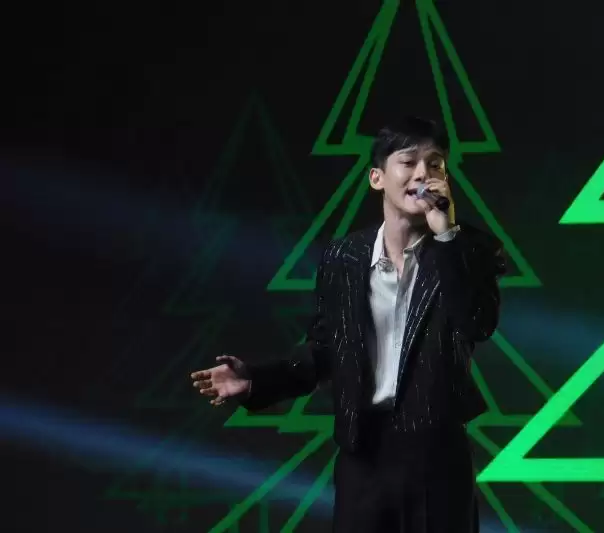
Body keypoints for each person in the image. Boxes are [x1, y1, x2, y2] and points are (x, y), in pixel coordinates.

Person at [190, 116, 505, 532]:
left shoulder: (470, 250)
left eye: (435, 164)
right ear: (377, 178)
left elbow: (477, 324)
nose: (422, 174)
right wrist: (255, 382)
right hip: (364, 456)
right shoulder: (343, 258)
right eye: (408, 161)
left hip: (438, 458)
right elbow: (323, 350)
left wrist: (447, 237)